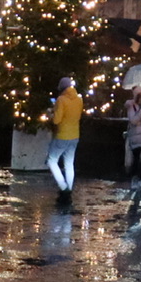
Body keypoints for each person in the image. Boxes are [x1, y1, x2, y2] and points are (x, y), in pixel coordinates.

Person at [46, 75, 83, 208]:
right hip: (75, 135)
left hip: (62, 134)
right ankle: (69, 191)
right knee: (69, 163)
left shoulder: (61, 100)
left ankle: (64, 188)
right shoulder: (79, 99)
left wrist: (50, 113)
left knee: (51, 160)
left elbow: (57, 120)